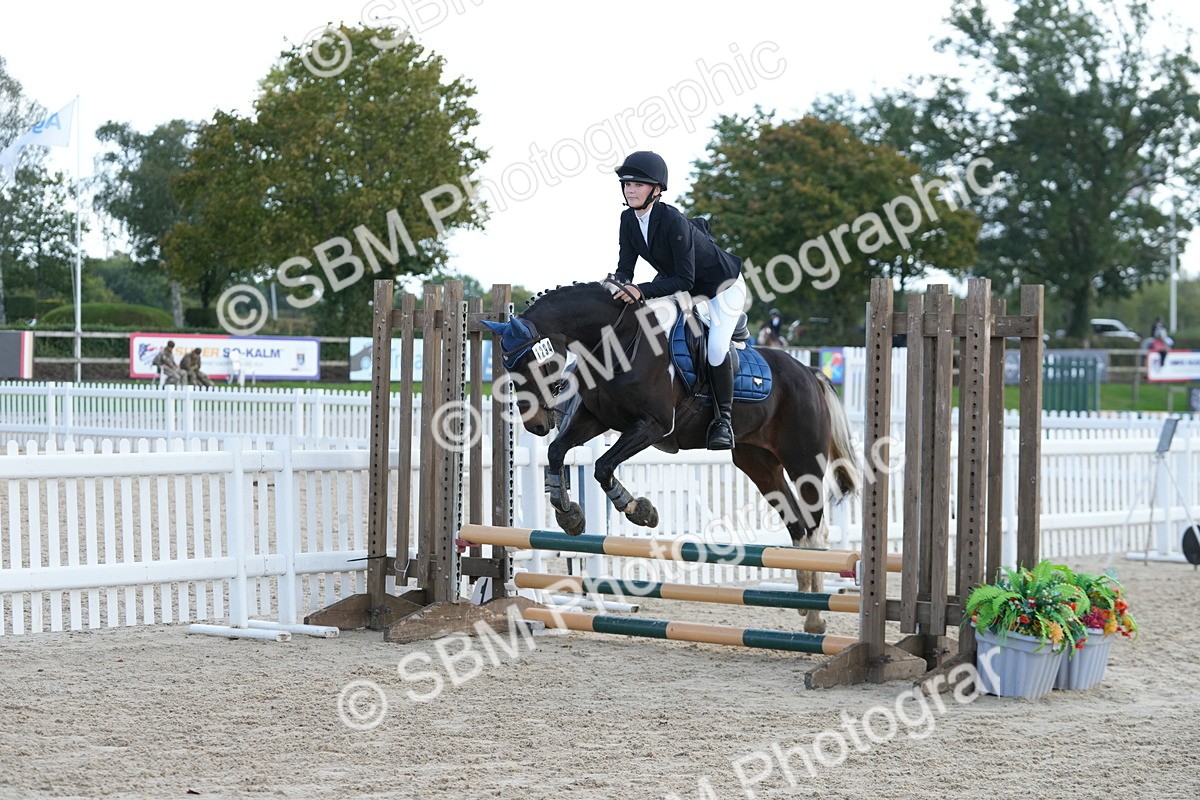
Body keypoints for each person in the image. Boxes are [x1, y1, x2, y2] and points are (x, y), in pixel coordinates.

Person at [607, 150, 746, 449]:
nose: (630, 189)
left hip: (722, 287)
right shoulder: (627, 219)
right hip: (683, 284)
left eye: (638, 184)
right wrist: (615, 285)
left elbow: (685, 280)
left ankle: (724, 421)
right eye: (626, 184)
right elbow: (625, 267)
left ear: (656, 190)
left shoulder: (672, 221)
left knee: (717, 348)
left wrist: (640, 290)